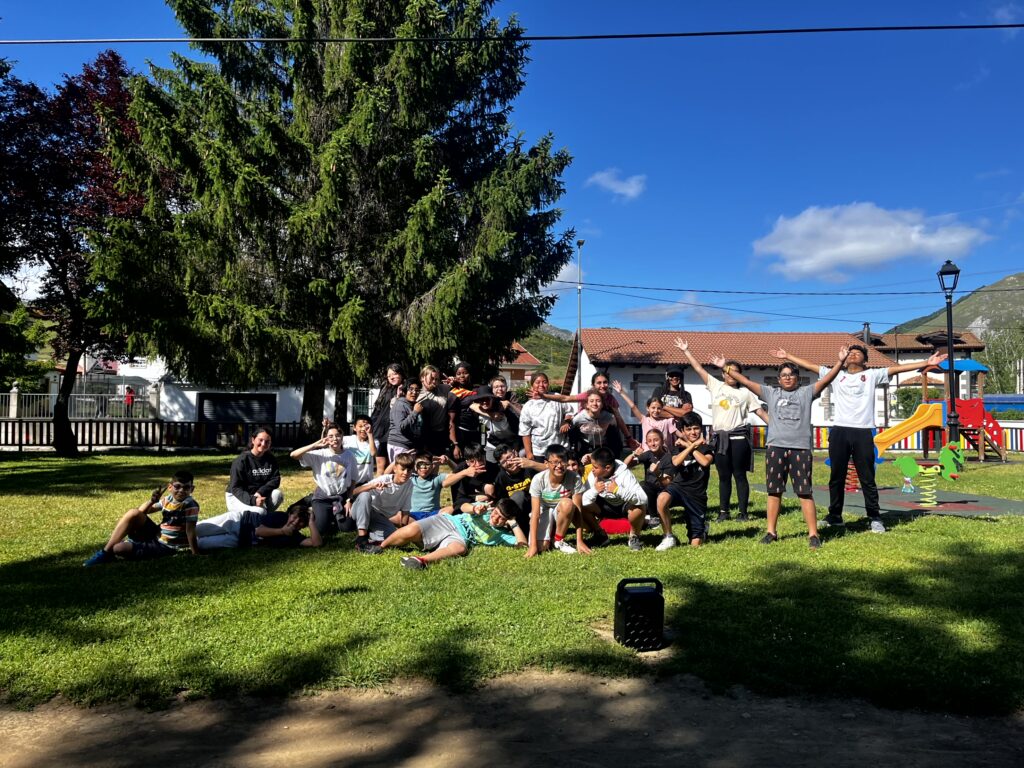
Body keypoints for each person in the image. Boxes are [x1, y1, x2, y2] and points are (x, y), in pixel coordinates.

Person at [775, 345, 948, 533]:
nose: (853, 354)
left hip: (864, 431)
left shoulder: (873, 375)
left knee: (867, 477)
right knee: (836, 477)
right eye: (850, 353)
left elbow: (898, 368)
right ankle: (835, 515)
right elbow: (810, 366)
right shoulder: (835, 375)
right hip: (840, 430)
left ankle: (874, 517)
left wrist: (926, 363)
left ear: (865, 360)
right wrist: (788, 356)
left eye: (858, 353)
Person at [728, 351, 847, 549]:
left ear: (797, 379)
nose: (787, 378)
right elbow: (746, 382)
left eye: (791, 375)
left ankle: (813, 534)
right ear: (779, 379)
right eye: (784, 375)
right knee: (774, 491)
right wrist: (725, 367)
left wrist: (840, 361)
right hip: (776, 447)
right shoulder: (770, 393)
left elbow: (827, 379)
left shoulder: (806, 393)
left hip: (800, 448)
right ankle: (771, 531)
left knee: (804, 492)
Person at [675, 338, 769, 523]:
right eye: (728, 371)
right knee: (723, 476)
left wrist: (777, 426)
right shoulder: (716, 386)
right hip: (720, 438)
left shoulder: (746, 393)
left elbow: (760, 412)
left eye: (735, 372)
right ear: (723, 374)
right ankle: (723, 511)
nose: (731, 375)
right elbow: (699, 369)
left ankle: (743, 512)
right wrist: (686, 351)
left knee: (739, 475)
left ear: (740, 375)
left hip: (739, 437)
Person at [84, 471, 200, 565]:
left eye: (186, 487)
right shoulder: (168, 499)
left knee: (118, 548)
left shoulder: (190, 505)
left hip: (166, 546)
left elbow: (190, 531)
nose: (181, 490)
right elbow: (142, 511)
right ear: (170, 487)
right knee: (133, 513)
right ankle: (105, 553)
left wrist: (195, 553)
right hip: (156, 534)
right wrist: (152, 501)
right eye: (177, 486)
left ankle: (117, 549)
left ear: (192, 489)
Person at [380, 498, 528, 570]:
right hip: (448, 522)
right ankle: (381, 546)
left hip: (460, 537)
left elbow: (522, 546)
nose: (495, 518)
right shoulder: (484, 510)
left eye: (501, 518)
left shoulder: (500, 535)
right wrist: (474, 509)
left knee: (460, 549)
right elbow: (463, 507)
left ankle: (420, 561)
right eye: (496, 513)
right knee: (412, 530)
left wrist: (513, 524)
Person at [653, 412, 715, 550]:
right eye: (688, 429)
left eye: (696, 428)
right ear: (682, 431)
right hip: (679, 488)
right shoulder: (677, 449)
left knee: (695, 544)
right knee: (662, 498)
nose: (693, 432)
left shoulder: (707, 448)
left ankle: (701, 530)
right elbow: (676, 462)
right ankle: (668, 537)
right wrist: (691, 446)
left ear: (701, 428)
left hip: (696, 494)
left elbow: (705, 462)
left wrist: (689, 445)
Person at [540, 371, 636, 455]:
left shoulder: (610, 399)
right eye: (599, 383)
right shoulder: (587, 395)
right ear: (593, 385)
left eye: (605, 382)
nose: (602, 385)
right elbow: (566, 398)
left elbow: (619, 419)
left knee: (614, 441)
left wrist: (628, 437)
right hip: (584, 428)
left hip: (601, 429)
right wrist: (545, 396)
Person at [289, 422, 358, 536]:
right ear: (326, 438)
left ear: (342, 437)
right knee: (322, 530)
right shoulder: (319, 454)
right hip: (323, 497)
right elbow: (293, 455)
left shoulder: (350, 456)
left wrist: (349, 500)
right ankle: (315, 507)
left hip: (341, 496)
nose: (335, 439)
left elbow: (353, 480)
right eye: (330, 436)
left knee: (347, 528)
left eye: (337, 435)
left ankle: (333, 514)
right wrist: (315, 444)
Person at [526, 444, 588, 557]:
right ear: (546, 463)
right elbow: (535, 514)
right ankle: (549, 536)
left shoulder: (575, 478)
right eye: (554, 462)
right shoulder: (538, 479)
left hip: (561, 510)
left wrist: (580, 540)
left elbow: (578, 510)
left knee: (568, 503)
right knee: (542, 548)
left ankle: (558, 540)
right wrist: (532, 546)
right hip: (543, 510)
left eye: (563, 462)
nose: (559, 466)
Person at [582, 447, 648, 551]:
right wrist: (594, 490)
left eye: (595, 467)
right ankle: (600, 535)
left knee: (639, 508)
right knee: (582, 506)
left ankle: (634, 537)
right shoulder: (593, 475)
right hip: (604, 506)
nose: (592, 469)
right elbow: (583, 500)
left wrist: (618, 490)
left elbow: (643, 498)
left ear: (607, 468)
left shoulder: (624, 474)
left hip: (625, 506)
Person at [349, 453, 416, 554]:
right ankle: (361, 540)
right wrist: (372, 486)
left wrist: (402, 533)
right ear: (395, 469)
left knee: (394, 538)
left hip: (379, 518)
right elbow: (354, 492)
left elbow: (405, 511)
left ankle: (370, 537)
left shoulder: (409, 484)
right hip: (361, 510)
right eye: (402, 469)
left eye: (409, 470)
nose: (406, 473)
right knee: (365, 495)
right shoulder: (384, 479)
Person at [197, 498, 323, 549]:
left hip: (240, 540)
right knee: (198, 529)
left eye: (301, 522)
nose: (295, 522)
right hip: (239, 522)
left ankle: (178, 543)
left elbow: (316, 544)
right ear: (289, 515)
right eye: (294, 517)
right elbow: (258, 531)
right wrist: (282, 531)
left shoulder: (295, 536)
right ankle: (178, 529)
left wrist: (311, 522)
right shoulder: (280, 517)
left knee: (201, 544)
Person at [226, 427, 283, 521]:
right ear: (253, 440)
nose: (263, 444)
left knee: (277, 494)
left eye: (267, 441)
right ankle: (243, 517)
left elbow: (275, 480)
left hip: (258, 495)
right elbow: (235, 488)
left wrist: (260, 492)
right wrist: (253, 500)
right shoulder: (241, 460)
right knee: (260, 512)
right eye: (260, 440)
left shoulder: (271, 459)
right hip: (238, 496)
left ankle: (261, 521)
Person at [405, 452, 479, 522]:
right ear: (414, 466)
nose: (423, 467)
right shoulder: (411, 478)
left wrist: (449, 461)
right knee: (398, 516)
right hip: (413, 515)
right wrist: (405, 458)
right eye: (420, 464)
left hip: (433, 514)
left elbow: (458, 473)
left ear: (432, 466)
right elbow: (395, 472)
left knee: (452, 508)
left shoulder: (437, 478)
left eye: (427, 464)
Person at [518, 373, 574, 460]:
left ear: (548, 384)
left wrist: (566, 421)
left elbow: (569, 411)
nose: (541, 385)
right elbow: (525, 431)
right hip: (540, 451)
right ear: (532, 385)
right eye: (537, 382)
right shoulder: (528, 406)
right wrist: (529, 453)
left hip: (560, 447)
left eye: (544, 382)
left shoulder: (556, 397)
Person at [490, 444, 546, 531]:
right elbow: (501, 503)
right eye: (504, 462)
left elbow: (553, 471)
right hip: (517, 511)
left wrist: (533, 464)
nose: (509, 462)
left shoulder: (530, 466)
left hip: (538, 503)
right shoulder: (500, 478)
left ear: (515, 453)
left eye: (509, 457)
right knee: (518, 496)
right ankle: (521, 529)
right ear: (500, 465)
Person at [625, 428, 671, 527]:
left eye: (656, 440)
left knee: (645, 486)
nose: (653, 444)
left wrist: (658, 472)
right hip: (649, 490)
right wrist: (634, 454)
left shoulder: (668, 457)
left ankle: (654, 517)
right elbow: (625, 465)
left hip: (663, 490)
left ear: (662, 441)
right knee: (641, 485)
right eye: (649, 441)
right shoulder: (648, 455)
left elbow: (667, 482)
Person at [612, 380, 676, 451]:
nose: (656, 410)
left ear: (662, 409)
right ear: (647, 408)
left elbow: (679, 434)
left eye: (658, 408)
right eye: (653, 408)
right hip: (648, 454)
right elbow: (633, 406)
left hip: (663, 454)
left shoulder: (666, 422)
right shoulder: (645, 420)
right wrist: (621, 392)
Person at [370, 363, 404, 476]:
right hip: (380, 431)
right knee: (380, 464)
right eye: (389, 376)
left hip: (393, 432)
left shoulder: (406, 388)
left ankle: (392, 490)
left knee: (393, 464)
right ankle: (379, 491)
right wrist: (372, 424)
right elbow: (377, 409)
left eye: (394, 374)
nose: (391, 377)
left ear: (401, 374)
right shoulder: (385, 388)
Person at [417, 365, 457, 458]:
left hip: (440, 434)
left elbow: (458, 387)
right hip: (424, 435)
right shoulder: (416, 393)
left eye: (436, 379)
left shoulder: (443, 388)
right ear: (422, 378)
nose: (434, 382)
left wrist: (454, 382)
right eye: (431, 378)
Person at [571, 390, 616, 462]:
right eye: (591, 401)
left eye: (598, 401)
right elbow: (572, 432)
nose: (595, 403)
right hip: (584, 447)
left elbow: (615, 432)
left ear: (602, 404)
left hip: (603, 447)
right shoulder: (578, 418)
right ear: (587, 405)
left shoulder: (609, 417)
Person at [448, 444, 496, 513]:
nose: (478, 464)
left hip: (490, 504)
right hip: (467, 504)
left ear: (485, 456)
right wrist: (464, 473)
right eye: (472, 461)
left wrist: (492, 491)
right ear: (467, 462)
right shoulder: (461, 468)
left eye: (480, 460)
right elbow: (445, 483)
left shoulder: (493, 468)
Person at [387, 380, 422, 463]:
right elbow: (401, 426)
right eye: (411, 389)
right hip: (399, 444)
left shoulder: (413, 405)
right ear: (405, 390)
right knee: (400, 473)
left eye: (417, 390)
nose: (414, 392)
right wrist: (415, 412)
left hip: (409, 445)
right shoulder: (400, 405)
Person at [343, 414, 377, 486]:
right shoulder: (347, 440)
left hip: (366, 483)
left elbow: (373, 453)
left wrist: (370, 434)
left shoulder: (374, 442)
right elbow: (329, 443)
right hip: (348, 482)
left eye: (366, 426)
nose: (363, 429)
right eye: (360, 426)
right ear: (354, 428)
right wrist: (326, 429)